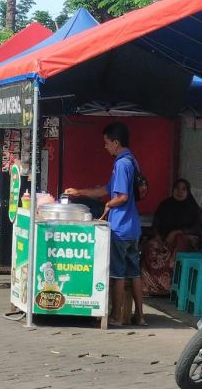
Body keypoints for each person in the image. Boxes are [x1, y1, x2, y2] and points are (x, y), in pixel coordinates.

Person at [64, 122, 146, 326]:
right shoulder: (132, 160)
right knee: (134, 273)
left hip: (120, 228)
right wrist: (80, 192)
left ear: (116, 142)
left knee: (118, 274)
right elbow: (106, 189)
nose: (105, 147)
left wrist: (109, 204)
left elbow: (122, 196)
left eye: (107, 143)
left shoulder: (121, 164)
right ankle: (141, 317)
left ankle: (117, 317)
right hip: (134, 227)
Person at [141, 179, 202, 295]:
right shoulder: (165, 205)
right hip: (165, 239)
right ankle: (151, 287)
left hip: (185, 241)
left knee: (179, 239)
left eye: (183, 189)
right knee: (150, 245)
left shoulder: (193, 208)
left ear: (188, 192)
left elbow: (197, 227)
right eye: (177, 188)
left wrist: (177, 232)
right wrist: (157, 236)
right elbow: (156, 224)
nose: (180, 191)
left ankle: (170, 287)